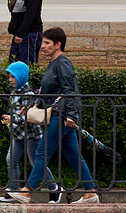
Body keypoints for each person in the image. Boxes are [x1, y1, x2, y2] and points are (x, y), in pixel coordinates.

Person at [26, 28, 99, 203]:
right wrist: (31, 104)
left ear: (58, 45)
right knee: (74, 155)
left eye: (47, 43)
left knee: (42, 152)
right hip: (61, 114)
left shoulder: (62, 63)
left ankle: (26, 191)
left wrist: (72, 115)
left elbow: (70, 91)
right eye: (43, 42)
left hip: (62, 115)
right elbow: (51, 92)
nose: (42, 46)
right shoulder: (54, 63)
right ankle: (90, 191)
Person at [0, 60, 44, 202]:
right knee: (11, 159)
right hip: (19, 134)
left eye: (13, 77)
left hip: (31, 134)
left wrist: (12, 119)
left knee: (37, 163)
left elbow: (28, 116)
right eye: (10, 77)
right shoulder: (16, 92)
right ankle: (13, 191)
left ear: (20, 76)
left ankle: (54, 187)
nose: (10, 80)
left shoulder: (28, 93)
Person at [8, 0, 45, 66]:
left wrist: (20, 33)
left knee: (28, 65)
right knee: (14, 64)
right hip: (20, 34)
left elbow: (31, 14)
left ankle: (29, 83)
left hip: (29, 34)